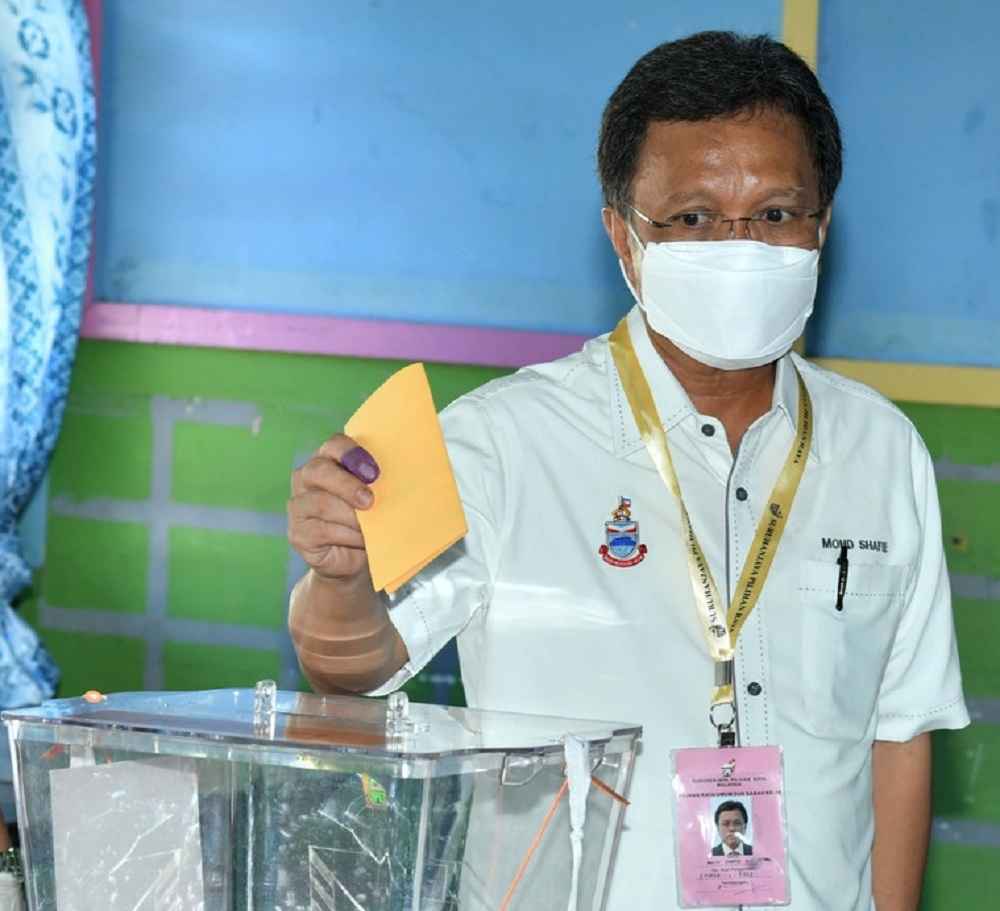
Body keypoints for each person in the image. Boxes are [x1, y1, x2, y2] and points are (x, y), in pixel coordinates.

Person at [287, 30, 969, 911]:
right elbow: (352, 666)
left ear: (823, 225)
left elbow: (898, 733)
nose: (739, 244)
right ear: (622, 236)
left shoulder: (882, 450)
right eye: (691, 217)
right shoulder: (501, 442)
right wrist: (339, 578)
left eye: (775, 213)